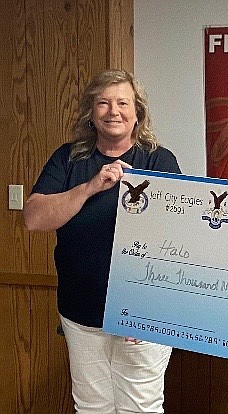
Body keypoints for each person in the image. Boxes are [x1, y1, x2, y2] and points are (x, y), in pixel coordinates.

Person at [24, 69, 181, 413]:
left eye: (123, 103)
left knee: (140, 407)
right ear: (91, 113)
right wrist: (92, 186)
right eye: (103, 103)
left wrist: (149, 308)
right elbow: (34, 218)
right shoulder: (68, 158)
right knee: (92, 406)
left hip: (140, 312)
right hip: (81, 308)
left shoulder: (158, 160)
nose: (114, 111)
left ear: (137, 113)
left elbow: (177, 238)